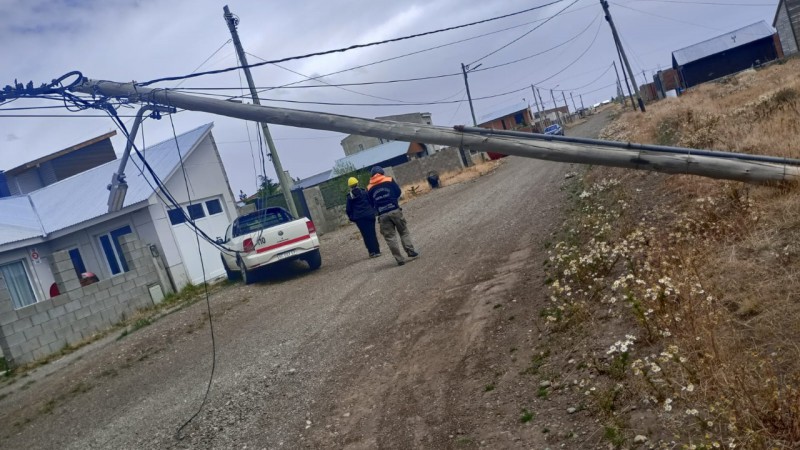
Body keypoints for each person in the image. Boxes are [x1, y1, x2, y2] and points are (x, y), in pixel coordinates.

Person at [366, 166, 419, 266]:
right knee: (403, 232)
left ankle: (399, 259)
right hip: (395, 210)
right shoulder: (389, 179)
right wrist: (393, 200)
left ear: (372, 176)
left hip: (382, 215)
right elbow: (398, 192)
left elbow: (370, 203)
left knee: (390, 238)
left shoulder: (369, 187)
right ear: (382, 172)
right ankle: (410, 251)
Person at [345, 176, 381, 258]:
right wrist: (373, 211)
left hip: (359, 219)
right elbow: (371, 201)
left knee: (365, 235)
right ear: (357, 183)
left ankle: (372, 252)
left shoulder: (349, 197)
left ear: (349, 186)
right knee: (372, 233)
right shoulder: (364, 192)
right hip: (369, 215)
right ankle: (377, 251)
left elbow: (348, 210)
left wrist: (352, 218)